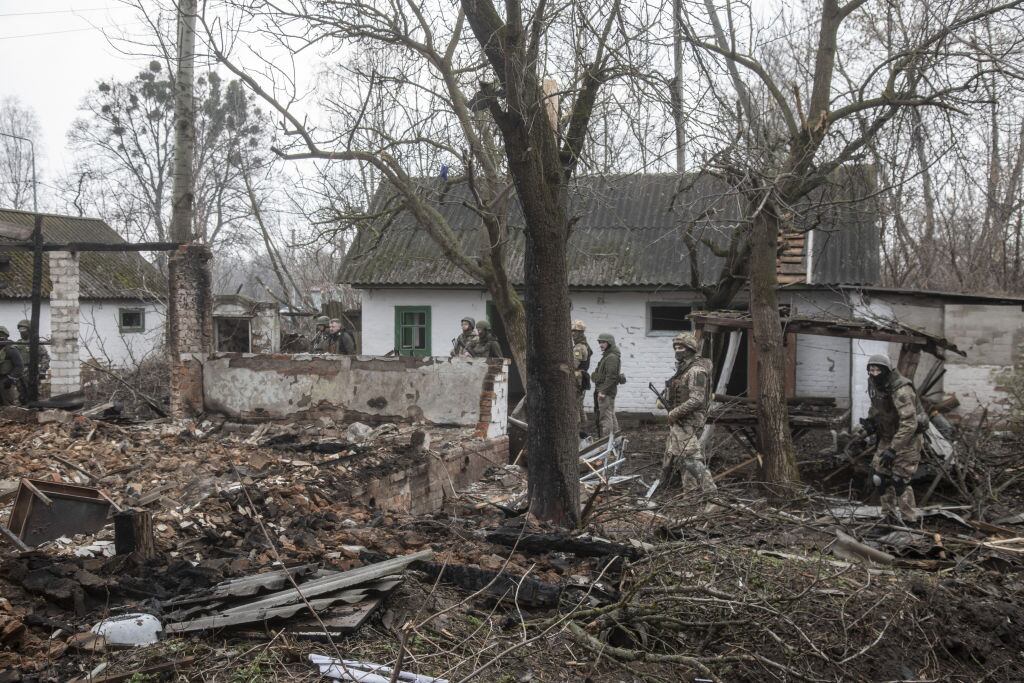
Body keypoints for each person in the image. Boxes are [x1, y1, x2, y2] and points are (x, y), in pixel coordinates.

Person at [866, 354, 926, 524]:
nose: (874, 373)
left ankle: (910, 521)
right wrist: (871, 422)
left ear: (886, 370)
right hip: (888, 436)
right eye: (871, 369)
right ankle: (889, 518)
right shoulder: (876, 384)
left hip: (907, 439)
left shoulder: (901, 388)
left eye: (878, 370)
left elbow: (910, 423)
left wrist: (893, 449)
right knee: (879, 478)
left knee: (899, 481)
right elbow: (877, 406)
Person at [661, 332, 716, 493]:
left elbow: (697, 399)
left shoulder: (696, 371)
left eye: (681, 347)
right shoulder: (684, 369)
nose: (677, 351)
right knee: (682, 459)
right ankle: (690, 495)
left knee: (691, 459)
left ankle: (712, 494)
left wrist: (674, 413)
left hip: (689, 421)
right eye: (675, 347)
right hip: (681, 420)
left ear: (690, 349)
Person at [590, 332, 621, 436]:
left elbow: (611, 376)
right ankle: (615, 441)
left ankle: (606, 442)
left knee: (605, 418)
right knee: (610, 415)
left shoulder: (611, 357)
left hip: (606, 392)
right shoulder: (609, 356)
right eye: (600, 342)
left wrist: (603, 391)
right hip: (607, 391)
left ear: (610, 343)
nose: (601, 344)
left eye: (603, 342)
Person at [571, 320, 593, 437]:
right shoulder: (585, 345)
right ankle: (583, 430)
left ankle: (577, 429)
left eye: (575, 331)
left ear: (581, 333)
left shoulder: (579, 347)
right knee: (579, 405)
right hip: (581, 378)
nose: (573, 334)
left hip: (577, 378)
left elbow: (573, 365)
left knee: (575, 405)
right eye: (572, 331)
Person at [0, 326, 24, 406]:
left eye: (2, 336)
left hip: (5, 380)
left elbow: (19, 366)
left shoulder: (11, 350)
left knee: (8, 405)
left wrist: (10, 378)